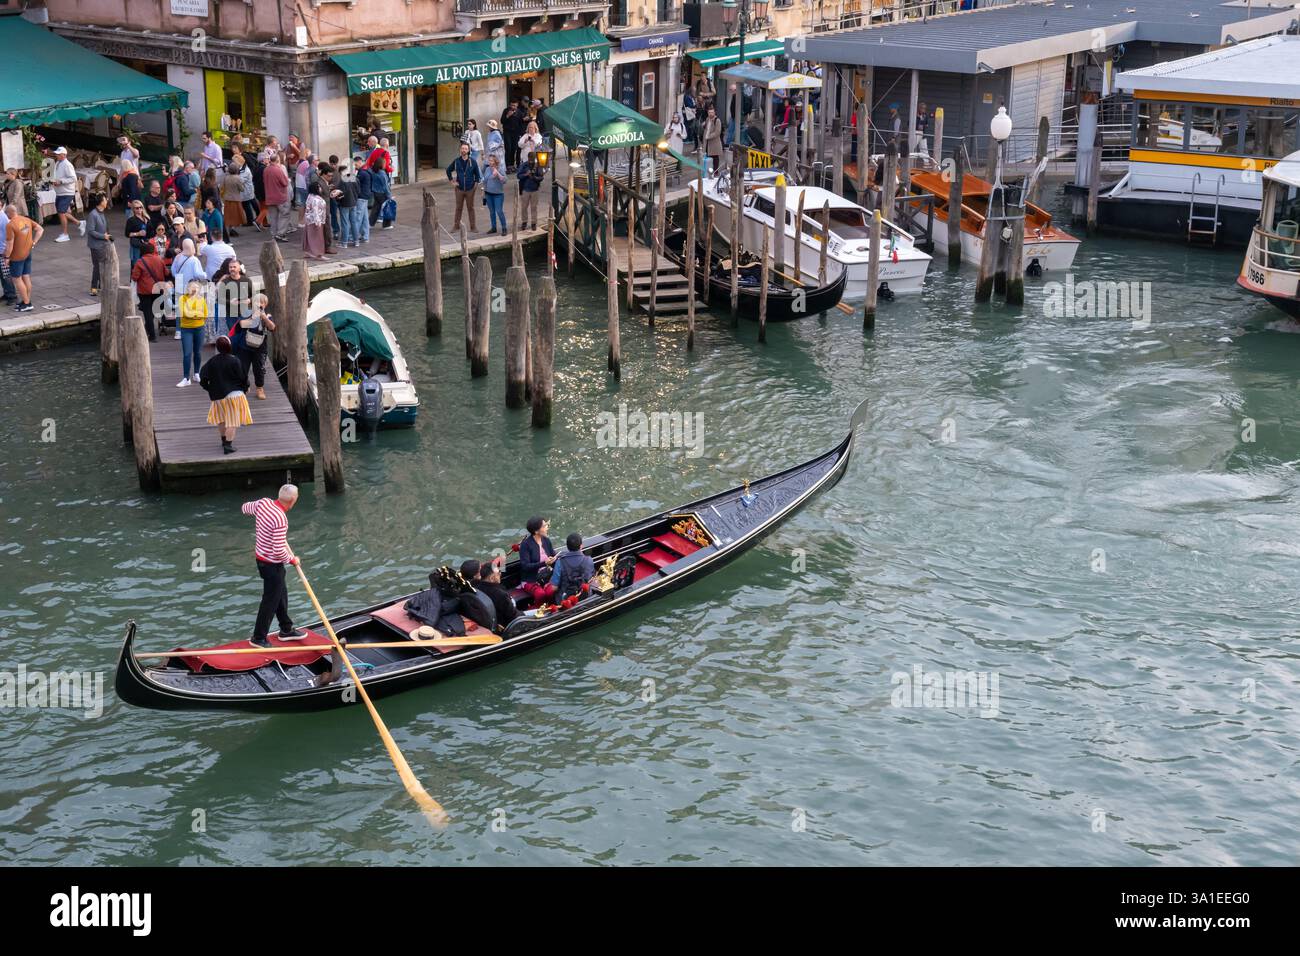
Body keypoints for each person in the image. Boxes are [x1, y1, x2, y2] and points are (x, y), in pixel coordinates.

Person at [241, 484, 308, 648]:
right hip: (271, 564)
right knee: (270, 600)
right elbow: (278, 550)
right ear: (292, 501)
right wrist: (292, 560)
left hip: (263, 560)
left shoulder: (264, 503)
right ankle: (258, 638)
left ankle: (286, 629)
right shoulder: (280, 519)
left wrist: (263, 522)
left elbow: (245, 508)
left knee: (280, 593)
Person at [200, 335, 252, 455]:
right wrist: (246, 388)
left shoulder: (211, 362)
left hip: (217, 396)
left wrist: (210, 389)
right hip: (234, 395)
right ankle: (228, 446)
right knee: (232, 422)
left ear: (217, 347)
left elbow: (203, 379)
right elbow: (243, 377)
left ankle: (224, 441)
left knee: (222, 420)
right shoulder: (234, 360)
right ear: (229, 346)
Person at [234, 292, 274, 400]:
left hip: (260, 348)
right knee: (243, 368)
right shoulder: (246, 312)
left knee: (259, 369)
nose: (260, 304)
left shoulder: (267, 315)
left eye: (262, 303)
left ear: (265, 305)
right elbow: (241, 325)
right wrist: (254, 317)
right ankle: (244, 387)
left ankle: (259, 389)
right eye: (258, 302)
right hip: (245, 346)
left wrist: (264, 318)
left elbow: (272, 328)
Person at [2, 205, 41, 313]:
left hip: (17, 256)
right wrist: (34, 242)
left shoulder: (10, 225)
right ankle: (26, 300)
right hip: (27, 253)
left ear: (8, 213)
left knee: (17, 279)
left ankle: (27, 304)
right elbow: (40, 229)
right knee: (26, 277)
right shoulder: (26, 220)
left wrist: (7, 257)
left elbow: (10, 244)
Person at [130, 244, 168, 341]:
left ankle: (152, 336)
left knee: (147, 313)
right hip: (158, 289)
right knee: (154, 311)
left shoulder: (140, 262)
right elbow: (166, 273)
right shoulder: (159, 260)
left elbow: (134, 277)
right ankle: (148, 330)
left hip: (144, 291)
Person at [518, 515, 557, 606]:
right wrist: (544, 563)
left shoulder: (546, 540)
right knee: (541, 595)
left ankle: (552, 608)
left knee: (552, 590)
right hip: (530, 580)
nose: (547, 527)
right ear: (536, 531)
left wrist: (554, 559)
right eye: (544, 526)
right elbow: (525, 566)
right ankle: (538, 612)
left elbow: (553, 554)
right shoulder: (525, 545)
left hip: (546, 576)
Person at [176, 278, 208, 386]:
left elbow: (205, 314)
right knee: (187, 353)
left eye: (196, 288)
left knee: (198, 352)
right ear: (188, 288)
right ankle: (186, 378)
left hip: (199, 328)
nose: (194, 290)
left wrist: (193, 314)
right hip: (186, 329)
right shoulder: (182, 299)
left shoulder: (201, 299)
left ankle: (196, 373)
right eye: (192, 287)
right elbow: (184, 313)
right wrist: (196, 314)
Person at [549, 533, 596, 602]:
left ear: (567, 547)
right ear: (581, 546)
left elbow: (554, 588)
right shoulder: (589, 560)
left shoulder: (560, 562)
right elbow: (590, 580)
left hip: (565, 601)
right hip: (585, 599)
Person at [447, 142, 481, 232]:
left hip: (470, 189)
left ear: (469, 150)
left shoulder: (473, 162)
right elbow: (448, 170)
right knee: (458, 208)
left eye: (465, 149)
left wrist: (475, 186)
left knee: (471, 208)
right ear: (460, 150)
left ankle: (473, 227)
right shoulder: (456, 161)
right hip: (459, 189)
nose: (464, 150)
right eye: (462, 148)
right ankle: (456, 226)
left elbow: (477, 176)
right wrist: (452, 181)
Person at [476, 558, 518, 629]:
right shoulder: (500, 595)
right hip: (506, 622)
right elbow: (513, 615)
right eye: (498, 573)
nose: (500, 574)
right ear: (492, 578)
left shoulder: (477, 586)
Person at [51, 147, 83, 242]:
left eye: (58, 154)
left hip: (67, 192)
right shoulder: (58, 163)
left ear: (64, 155)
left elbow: (73, 178)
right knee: (63, 212)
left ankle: (65, 234)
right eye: (56, 154)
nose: (56, 155)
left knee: (61, 212)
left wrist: (60, 181)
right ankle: (79, 223)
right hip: (60, 192)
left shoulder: (67, 165)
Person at [86, 193, 113, 296]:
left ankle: (101, 285)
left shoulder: (101, 213)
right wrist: (103, 236)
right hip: (96, 245)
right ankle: (94, 287)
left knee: (103, 265)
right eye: (105, 200)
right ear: (101, 202)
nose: (107, 201)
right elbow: (91, 231)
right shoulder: (93, 214)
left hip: (103, 244)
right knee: (97, 266)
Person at [263, 152, 292, 241]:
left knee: (273, 217)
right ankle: (280, 233)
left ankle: (274, 234)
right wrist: (288, 180)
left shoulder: (266, 170)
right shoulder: (278, 170)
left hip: (270, 196)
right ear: (278, 160)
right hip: (280, 196)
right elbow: (285, 183)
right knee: (285, 214)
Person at [221, 158, 250, 238]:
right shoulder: (238, 178)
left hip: (227, 199)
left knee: (229, 215)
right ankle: (232, 229)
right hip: (235, 199)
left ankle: (230, 229)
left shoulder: (226, 178)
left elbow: (223, 187)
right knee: (236, 216)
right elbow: (242, 189)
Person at [332, 166, 359, 247]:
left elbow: (340, 194)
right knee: (354, 222)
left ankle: (344, 243)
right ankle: (356, 241)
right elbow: (358, 191)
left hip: (344, 204)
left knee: (345, 223)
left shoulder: (342, 182)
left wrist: (338, 200)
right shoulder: (355, 179)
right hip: (353, 203)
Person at [482, 153, 507, 235]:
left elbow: (505, 181)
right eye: (489, 160)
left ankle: (504, 228)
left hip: (498, 194)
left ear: (496, 161)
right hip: (488, 193)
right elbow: (484, 181)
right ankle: (493, 228)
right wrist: (484, 193)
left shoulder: (500, 169)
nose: (490, 162)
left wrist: (498, 174)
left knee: (499, 211)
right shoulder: (487, 169)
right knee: (491, 212)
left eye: (491, 160)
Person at [303, 181, 328, 259]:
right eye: (319, 187)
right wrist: (318, 222)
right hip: (316, 221)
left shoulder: (310, 196)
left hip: (310, 220)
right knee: (318, 238)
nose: (320, 188)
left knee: (310, 237)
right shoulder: (315, 199)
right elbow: (315, 211)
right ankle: (318, 254)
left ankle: (309, 251)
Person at [518, 154, 542, 231]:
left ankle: (533, 223)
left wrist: (534, 177)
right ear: (528, 158)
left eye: (532, 159)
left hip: (535, 190)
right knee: (524, 207)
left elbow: (541, 177)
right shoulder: (524, 165)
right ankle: (524, 222)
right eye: (530, 159)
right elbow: (518, 176)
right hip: (525, 189)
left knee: (534, 207)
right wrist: (526, 174)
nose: (531, 161)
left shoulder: (537, 166)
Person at [352, 156, 372, 244]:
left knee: (358, 218)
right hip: (365, 196)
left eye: (355, 164)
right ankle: (365, 236)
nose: (355, 167)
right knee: (364, 218)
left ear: (360, 162)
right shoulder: (366, 170)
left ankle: (355, 237)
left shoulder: (362, 173)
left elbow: (355, 184)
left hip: (361, 197)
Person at [367, 157, 391, 229]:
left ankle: (370, 223)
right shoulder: (382, 173)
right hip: (382, 193)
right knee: (387, 208)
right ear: (381, 164)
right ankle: (386, 225)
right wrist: (389, 195)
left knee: (375, 209)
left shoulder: (372, 171)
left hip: (375, 193)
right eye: (385, 163)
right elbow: (385, 187)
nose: (385, 164)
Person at [124, 200, 149, 265]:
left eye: (141, 207)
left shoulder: (146, 218)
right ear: (133, 209)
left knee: (146, 265)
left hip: (146, 244)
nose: (139, 209)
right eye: (137, 208)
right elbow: (127, 234)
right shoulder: (131, 220)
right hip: (137, 245)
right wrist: (137, 233)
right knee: (136, 265)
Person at [703, 108, 723, 173]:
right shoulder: (707, 119)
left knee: (715, 157)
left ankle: (716, 172)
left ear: (714, 113)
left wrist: (709, 136)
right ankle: (709, 171)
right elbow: (706, 128)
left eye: (712, 112)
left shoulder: (717, 120)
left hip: (714, 142)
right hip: (707, 142)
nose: (710, 114)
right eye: (709, 112)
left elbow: (717, 132)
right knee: (708, 156)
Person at [0, 204, 12, 307]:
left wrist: (5, 250)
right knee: (2, 274)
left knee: (6, 274)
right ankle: (7, 293)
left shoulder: (3, 218)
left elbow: (7, 236)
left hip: (2, 250)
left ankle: (11, 296)